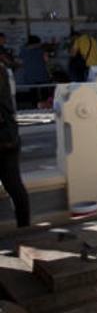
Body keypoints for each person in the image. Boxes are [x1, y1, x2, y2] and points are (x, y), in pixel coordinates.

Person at [0, 60, 30, 228]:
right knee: (14, 184)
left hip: (4, 137)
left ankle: (24, 229)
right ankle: (24, 228)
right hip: (7, 135)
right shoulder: (2, 69)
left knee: (14, 184)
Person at [19, 36, 51, 108]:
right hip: (41, 74)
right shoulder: (41, 50)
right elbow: (46, 60)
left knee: (33, 92)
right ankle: (45, 106)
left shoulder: (23, 50)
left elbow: (20, 62)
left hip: (29, 75)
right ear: (37, 43)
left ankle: (35, 106)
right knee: (44, 91)